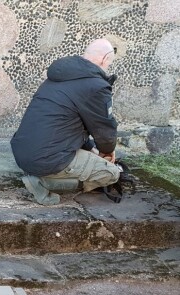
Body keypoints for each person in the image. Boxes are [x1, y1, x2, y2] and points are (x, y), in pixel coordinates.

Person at [11, 38, 121, 205]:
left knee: (94, 158)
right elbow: (103, 129)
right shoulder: (96, 86)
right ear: (105, 59)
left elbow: (71, 125)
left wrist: (94, 150)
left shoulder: (57, 78)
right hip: (47, 158)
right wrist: (107, 151)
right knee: (111, 174)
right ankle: (42, 182)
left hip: (24, 153)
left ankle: (43, 174)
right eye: (109, 63)